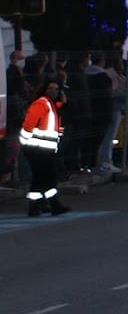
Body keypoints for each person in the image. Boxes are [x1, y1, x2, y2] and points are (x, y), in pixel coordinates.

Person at [20, 77, 71, 216]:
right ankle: (53, 204)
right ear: (44, 90)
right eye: (50, 88)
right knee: (48, 177)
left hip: (42, 148)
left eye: (56, 89)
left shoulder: (51, 105)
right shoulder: (42, 104)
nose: (53, 91)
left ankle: (36, 206)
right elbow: (28, 125)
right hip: (37, 148)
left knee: (40, 178)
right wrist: (24, 142)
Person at [4, 48, 28, 185]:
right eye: (20, 59)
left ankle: (12, 174)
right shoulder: (14, 74)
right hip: (15, 115)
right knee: (14, 146)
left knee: (14, 145)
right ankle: (12, 174)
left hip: (14, 114)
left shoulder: (10, 73)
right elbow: (22, 89)